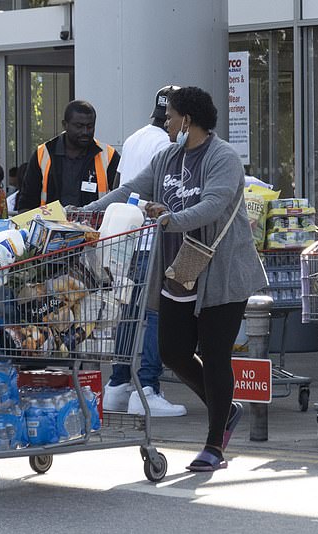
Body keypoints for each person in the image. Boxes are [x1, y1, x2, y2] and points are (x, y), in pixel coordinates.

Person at [83, 86, 268, 471]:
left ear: (188, 120)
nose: (166, 123)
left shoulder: (223, 158)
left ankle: (214, 446)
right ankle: (224, 407)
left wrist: (169, 219)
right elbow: (131, 189)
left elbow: (213, 205)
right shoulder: (167, 157)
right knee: (172, 352)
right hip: (176, 271)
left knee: (216, 357)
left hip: (221, 273)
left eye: (171, 117)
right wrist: (90, 210)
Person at [102, 85, 186, 417]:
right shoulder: (168, 145)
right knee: (155, 314)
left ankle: (118, 384)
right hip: (157, 239)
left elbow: (124, 188)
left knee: (129, 312)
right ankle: (148, 387)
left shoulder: (136, 138)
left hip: (131, 239)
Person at [16, 100, 120, 211]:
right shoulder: (43, 154)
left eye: (90, 126)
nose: (85, 132)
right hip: (51, 226)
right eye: (79, 126)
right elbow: (27, 202)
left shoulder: (108, 156)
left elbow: (120, 199)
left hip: (93, 227)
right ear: (65, 125)